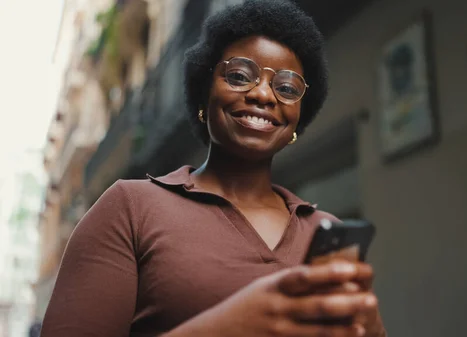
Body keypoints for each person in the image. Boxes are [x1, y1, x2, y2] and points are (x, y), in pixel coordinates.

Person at [41, 1, 387, 336]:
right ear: (204, 94)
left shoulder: (325, 228)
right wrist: (228, 326)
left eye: (285, 88)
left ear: (298, 116)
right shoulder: (130, 208)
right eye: (239, 76)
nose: (264, 95)